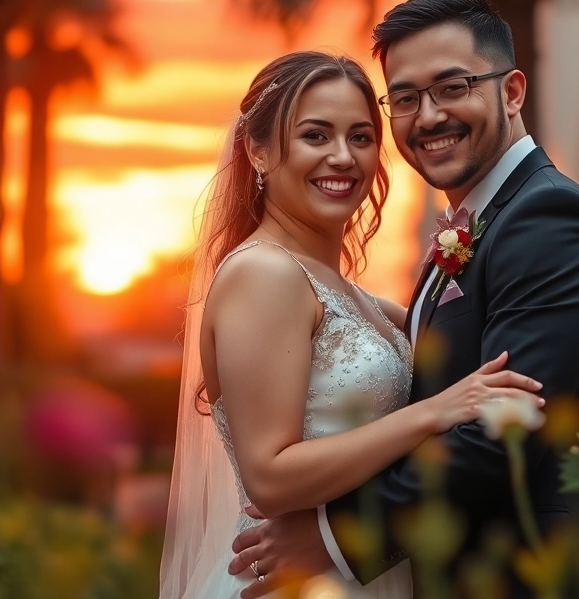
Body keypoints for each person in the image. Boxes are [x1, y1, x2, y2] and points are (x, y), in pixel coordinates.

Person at [227, 0, 579, 598]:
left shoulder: (545, 215)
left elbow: (505, 426)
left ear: (513, 91)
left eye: (453, 86)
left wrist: (336, 539)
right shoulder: (481, 223)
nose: (429, 117)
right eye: (407, 98)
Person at [160, 50, 544, 598]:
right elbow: (269, 476)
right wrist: (435, 412)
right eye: (316, 136)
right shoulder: (263, 273)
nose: (342, 157)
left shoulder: (367, 304)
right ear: (259, 150)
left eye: (361, 138)